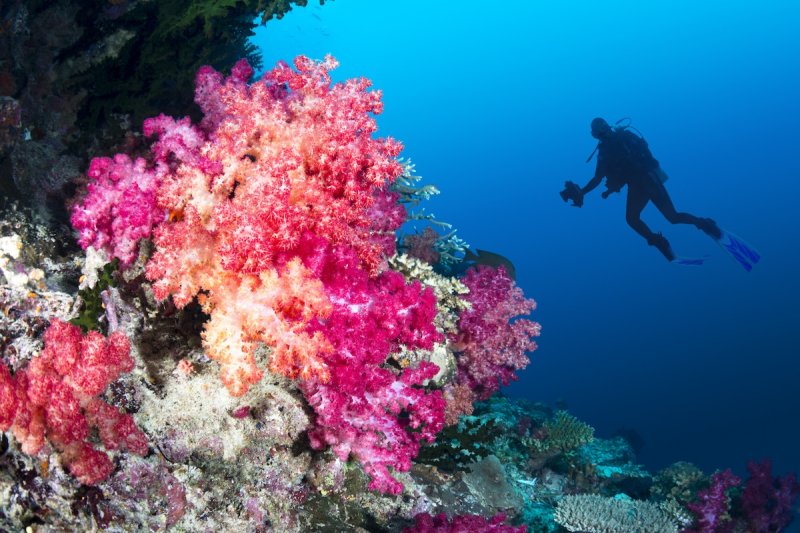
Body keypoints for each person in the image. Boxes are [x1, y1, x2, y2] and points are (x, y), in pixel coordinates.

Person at [565, 117, 721, 261]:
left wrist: (583, 192)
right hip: (649, 180)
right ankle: (703, 225)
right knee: (672, 217)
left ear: (595, 134)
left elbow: (598, 178)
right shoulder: (623, 138)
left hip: (641, 184)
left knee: (635, 219)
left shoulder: (606, 150)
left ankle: (661, 241)